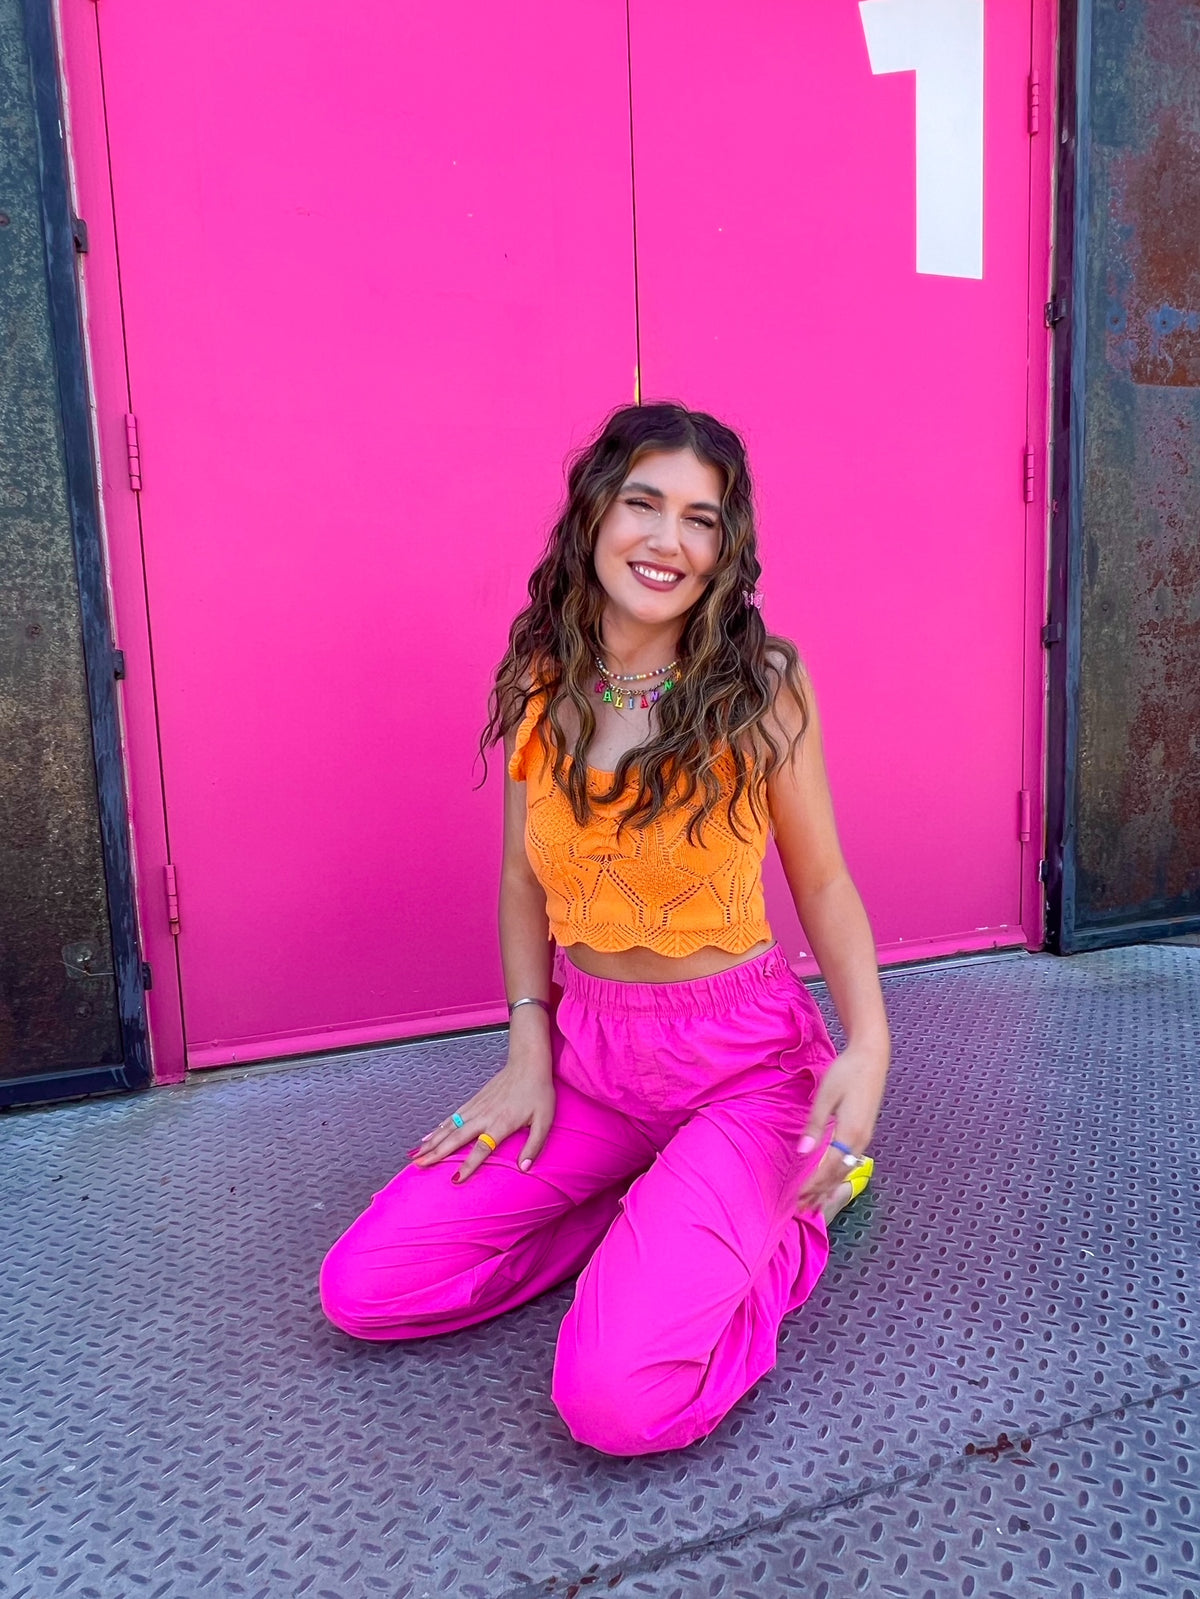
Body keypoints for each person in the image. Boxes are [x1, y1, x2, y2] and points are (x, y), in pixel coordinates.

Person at [320, 402, 890, 1456]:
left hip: (743, 1069)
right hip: (590, 1061)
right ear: (593, 514)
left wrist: (870, 1046)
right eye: (643, 504)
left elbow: (823, 881)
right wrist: (527, 1050)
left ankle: (802, 1213)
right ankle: (651, 1202)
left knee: (618, 1403)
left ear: (725, 548)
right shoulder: (543, 680)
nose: (668, 540)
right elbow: (519, 882)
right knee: (368, 1287)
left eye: (701, 519)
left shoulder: (763, 685)